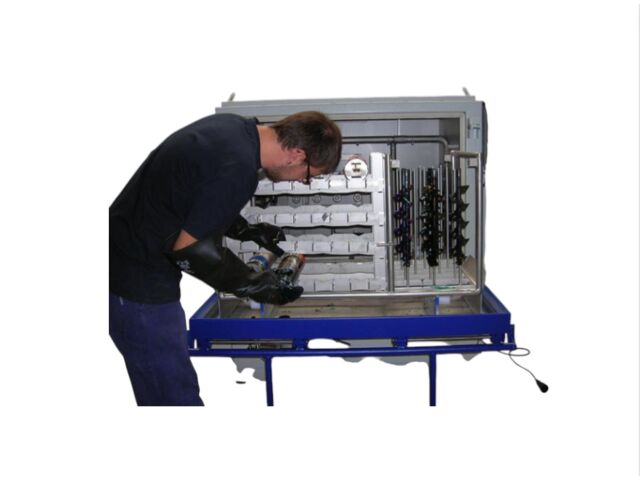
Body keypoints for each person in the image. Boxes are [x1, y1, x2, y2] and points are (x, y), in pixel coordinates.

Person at [109, 110, 342, 406]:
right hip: (136, 282)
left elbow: (197, 192)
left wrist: (246, 230)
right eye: (308, 176)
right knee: (171, 395)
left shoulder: (233, 129)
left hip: (124, 257)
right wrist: (255, 284)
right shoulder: (239, 168)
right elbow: (189, 250)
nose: (301, 181)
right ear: (297, 155)